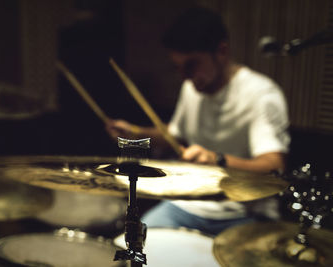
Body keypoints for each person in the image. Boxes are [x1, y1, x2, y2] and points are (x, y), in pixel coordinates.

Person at [106, 6, 290, 236]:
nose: (184, 76)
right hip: (190, 204)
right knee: (133, 245)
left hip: (246, 214)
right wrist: (135, 132)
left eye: (191, 65)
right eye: (178, 67)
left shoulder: (261, 94)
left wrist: (218, 159)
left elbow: (275, 166)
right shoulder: (191, 87)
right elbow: (174, 135)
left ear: (222, 51)